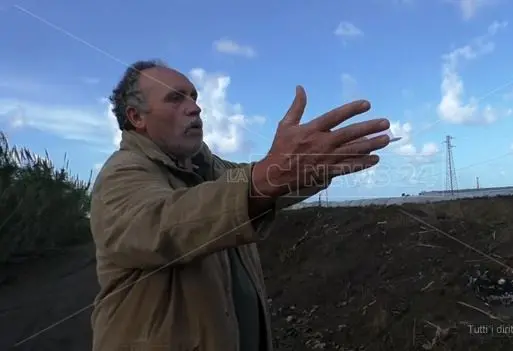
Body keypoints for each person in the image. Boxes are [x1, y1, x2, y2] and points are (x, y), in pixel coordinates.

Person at [88, 59, 391, 351]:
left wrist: (313, 166)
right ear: (137, 117)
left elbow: (262, 182)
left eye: (194, 96)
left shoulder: (213, 170)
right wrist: (266, 179)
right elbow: (162, 223)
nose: (195, 107)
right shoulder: (122, 173)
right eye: (175, 99)